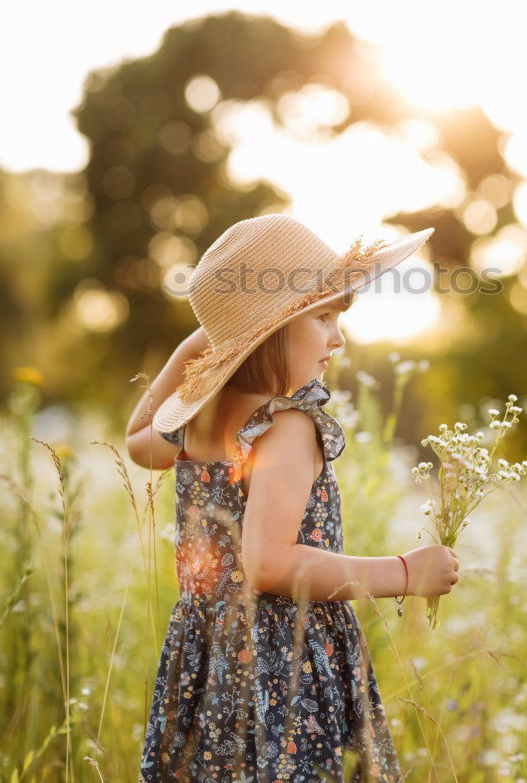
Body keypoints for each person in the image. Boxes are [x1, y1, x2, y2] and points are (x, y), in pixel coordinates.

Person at [126, 213, 460, 783]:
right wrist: (404, 572)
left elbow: (137, 441)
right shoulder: (287, 426)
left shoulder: (202, 417)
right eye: (323, 317)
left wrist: (202, 341)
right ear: (271, 332)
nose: (339, 336)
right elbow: (270, 564)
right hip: (285, 658)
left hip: (206, 661)